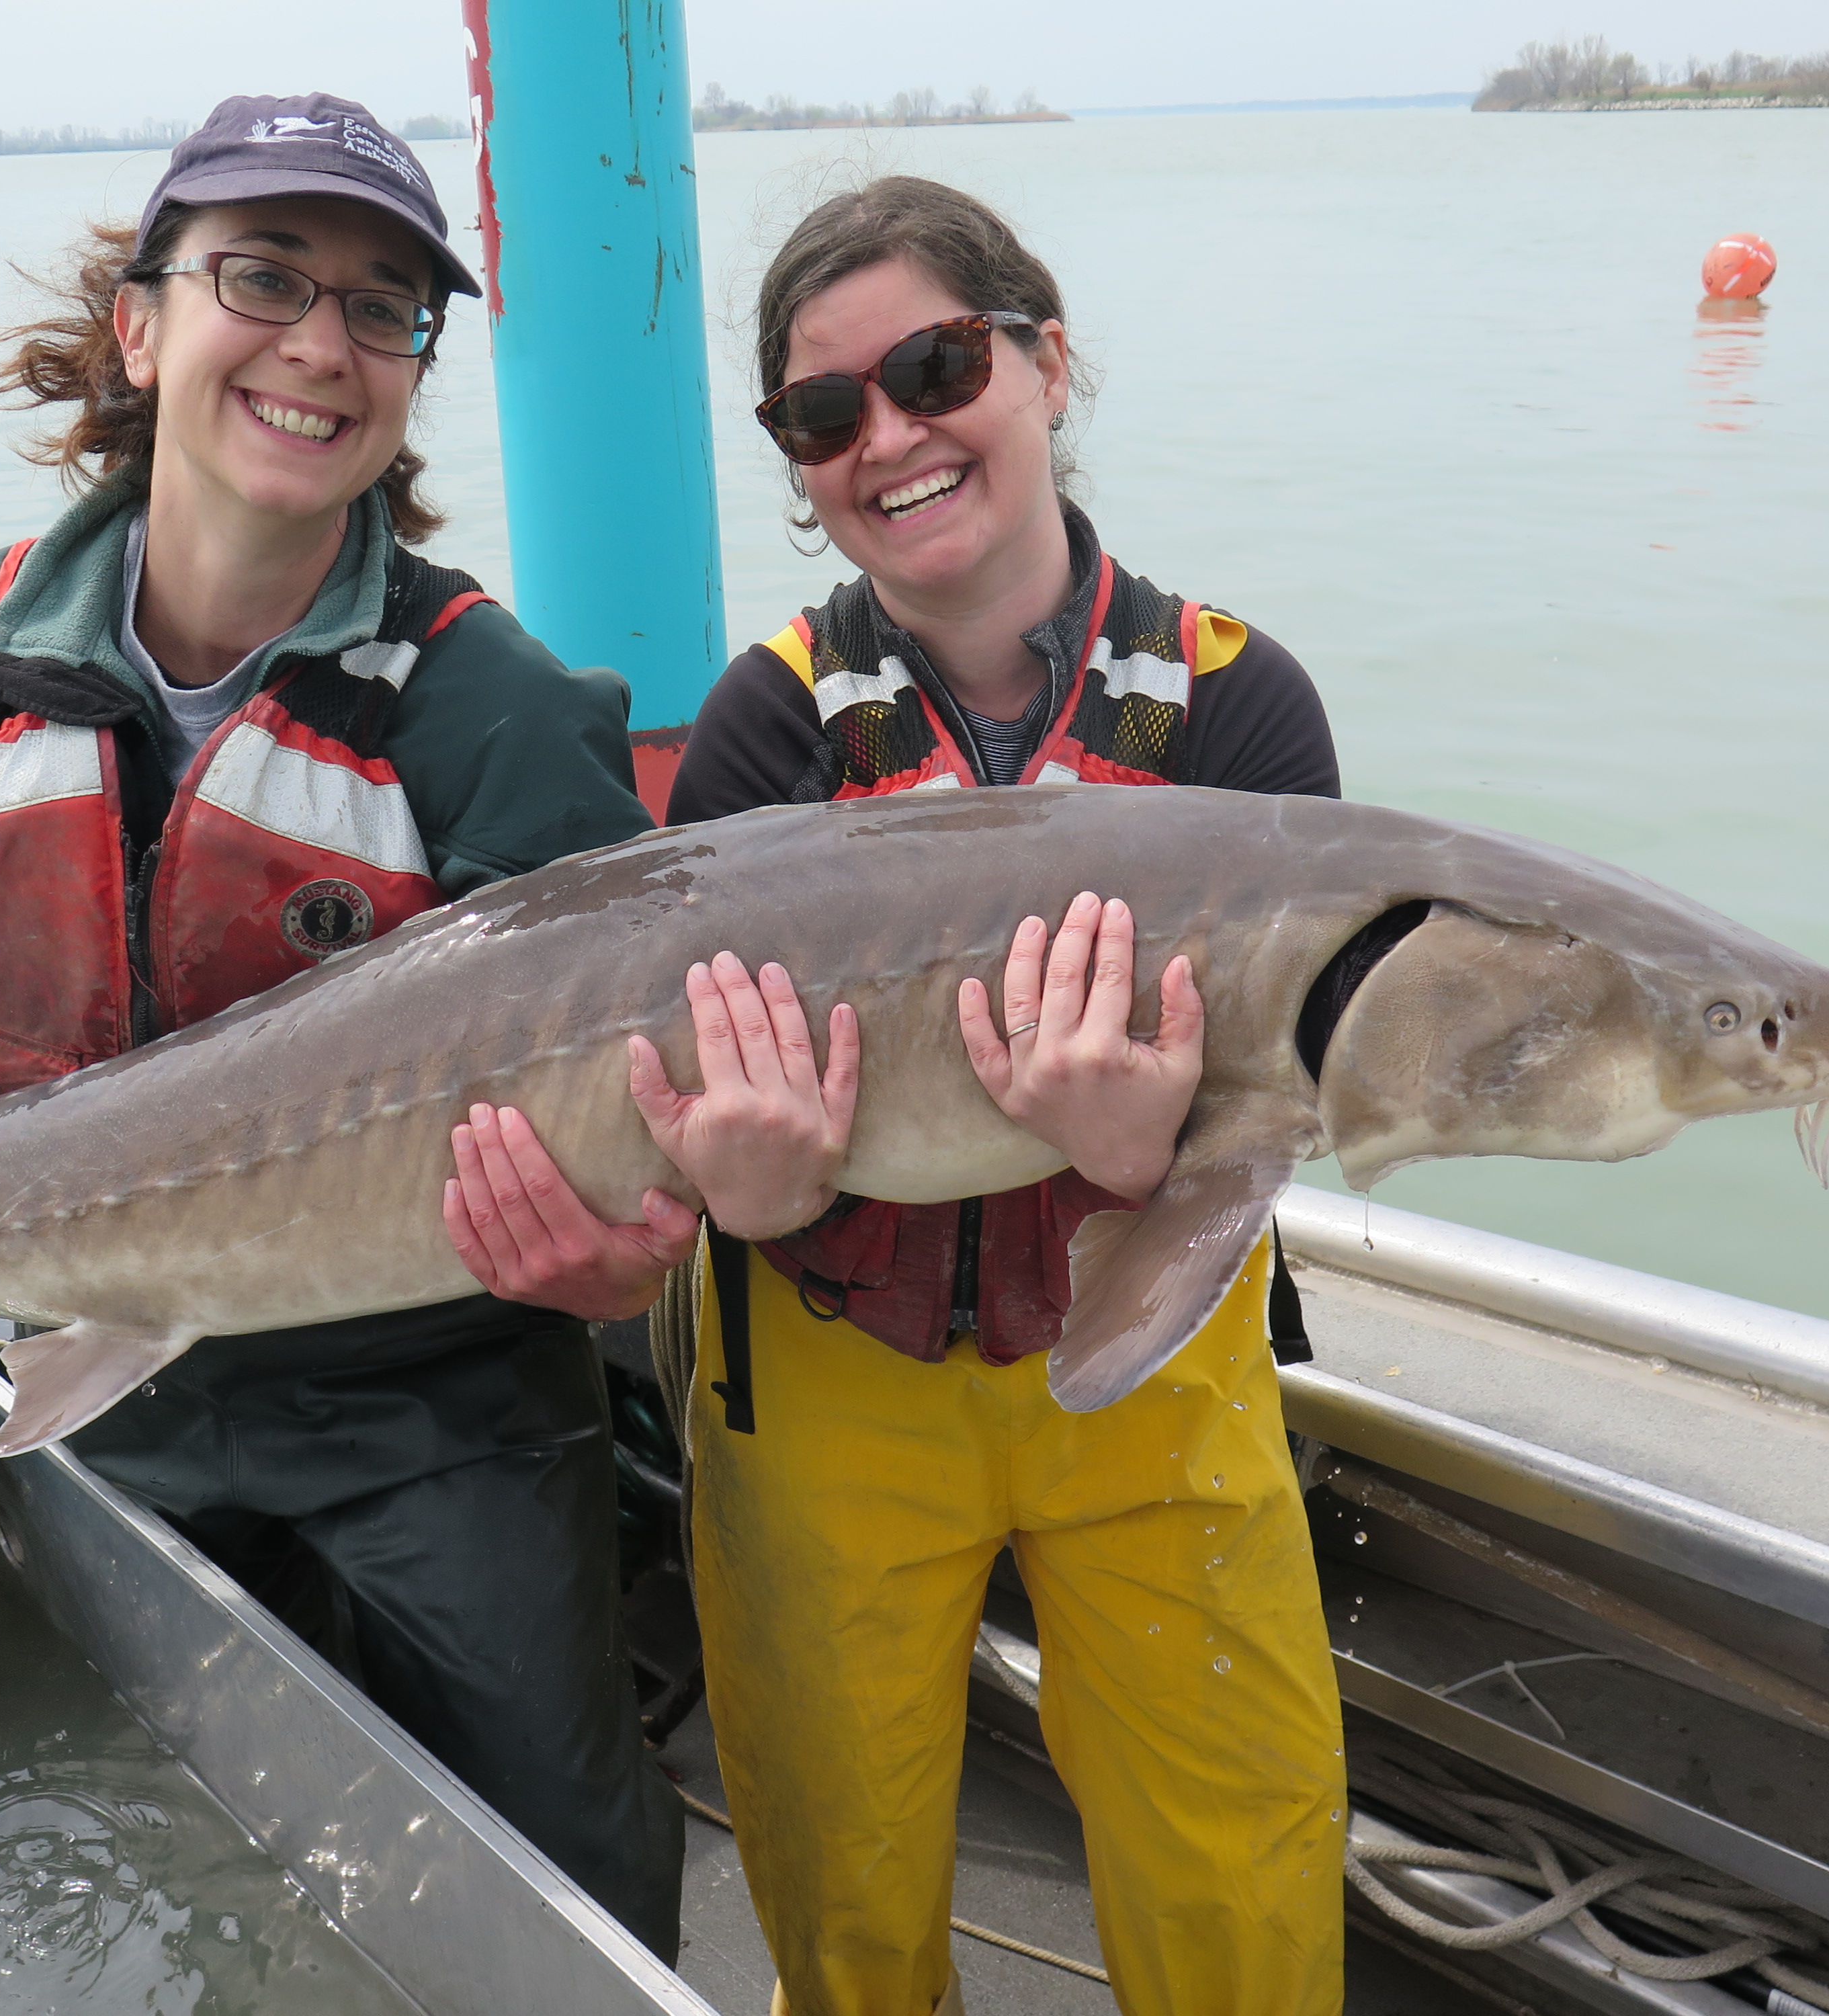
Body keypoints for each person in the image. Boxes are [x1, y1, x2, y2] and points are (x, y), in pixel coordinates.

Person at [0, 95, 684, 1956]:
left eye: (383, 310)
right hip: (95, 1366)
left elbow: (657, 1070)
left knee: (569, 1893)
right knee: (175, 1870)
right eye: (262, 278)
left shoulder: (489, 708)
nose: (319, 345)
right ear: (141, 324)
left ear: (415, 375)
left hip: (437, 1402)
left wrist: (628, 1259)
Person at [450, 174, 1348, 2014]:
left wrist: (1139, 1152)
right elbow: (678, 1116)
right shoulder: (769, 726)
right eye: (823, 411)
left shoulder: (1243, 710)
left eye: (937, 365)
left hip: (1160, 1364)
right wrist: (744, 1194)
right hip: (823, 1363)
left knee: (1243, 1874)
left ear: (1046, 360)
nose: (892, 436)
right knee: (839, 1889)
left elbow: (1294, 1081)